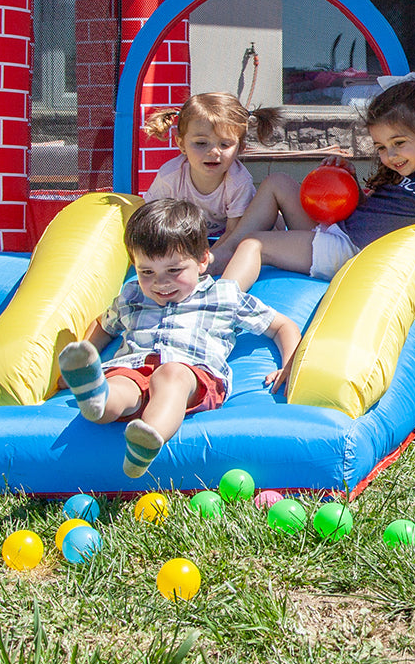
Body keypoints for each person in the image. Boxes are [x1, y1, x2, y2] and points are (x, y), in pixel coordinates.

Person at [58, 198, 302, 479]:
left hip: (192, 372)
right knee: (121, 382)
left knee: (171, 376)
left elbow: (281, 325)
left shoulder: (223, 295)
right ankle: (97, 400)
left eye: (174, 271)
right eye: (146, 272)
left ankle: (148, 438)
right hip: (133, 365)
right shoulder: (132, 295)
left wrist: (289, 364)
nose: (161, 283)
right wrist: (86, 352)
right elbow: (105, 325)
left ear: (202, 260)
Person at [217, 74, 415, 336]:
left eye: (399, 143)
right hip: (340, 231)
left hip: (349, 251)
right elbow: (374, 214)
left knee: (253, 245)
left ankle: (217, 307)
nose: (390, 156)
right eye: (381, 148)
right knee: (277, 182)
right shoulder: (408, 170)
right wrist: (349, 182)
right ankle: (223, 250)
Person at [143, 92, 281, 246]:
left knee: (269, 230)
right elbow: (151, 220)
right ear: (181, 144)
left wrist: (211, 257)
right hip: (190, 233)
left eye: (225, 144)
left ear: (240, 148)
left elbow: (233, 234)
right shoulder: (170, 177)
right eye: (201, 143)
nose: (214, 152)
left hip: (236, 227)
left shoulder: (238, 181)